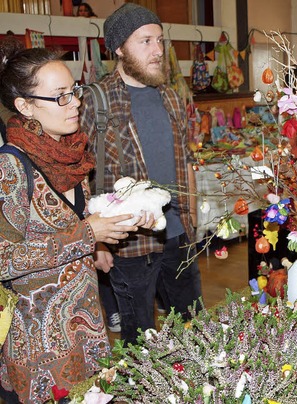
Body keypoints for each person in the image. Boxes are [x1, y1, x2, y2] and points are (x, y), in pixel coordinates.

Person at [0, 41, 148, 403]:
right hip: (38, 345)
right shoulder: (10, 167)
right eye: (61, 96)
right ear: (25, 106)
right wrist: (87, 234)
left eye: (75, 91)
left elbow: (68, 223)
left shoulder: (69, 155)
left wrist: (98, 244)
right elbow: (4, 258)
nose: (76, 103)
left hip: (86, 329)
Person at [79, 3, 203, 345]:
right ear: (119, 48)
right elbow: (80, 176)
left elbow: (185, 160)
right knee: (140, 340)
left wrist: (192, 220)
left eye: (160, 40)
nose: (158, 50)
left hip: (178, 235)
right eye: (145, 41)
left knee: (195, 331)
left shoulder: (172, 98)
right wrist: (97, 240)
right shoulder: (97, 101)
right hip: (128, 245)